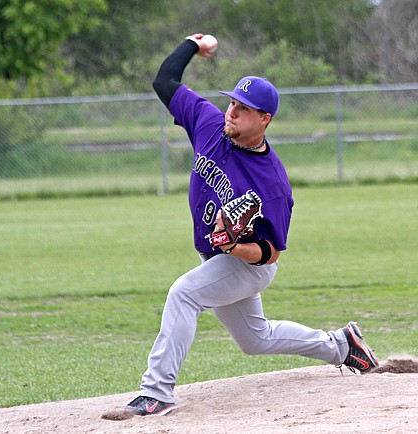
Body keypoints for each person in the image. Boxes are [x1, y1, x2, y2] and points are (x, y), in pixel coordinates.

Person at [125, 34, 379, 417]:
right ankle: (342, 345)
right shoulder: (210, 124)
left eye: (243, 109)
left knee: (184, 294)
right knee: (255, 340)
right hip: (217, 255)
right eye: (232, 102)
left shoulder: (272, 185)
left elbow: (269, 253)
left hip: (247, 265)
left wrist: (232, 247)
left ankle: (157, 391)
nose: (232, 111)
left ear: (264, 119)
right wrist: (191, 45)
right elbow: (165, 83)